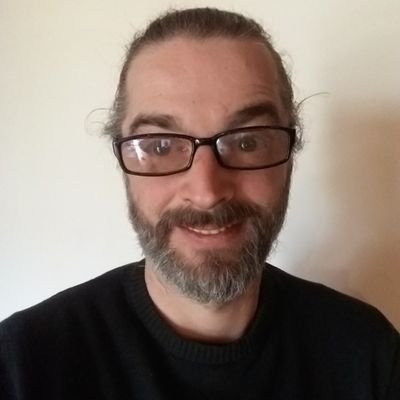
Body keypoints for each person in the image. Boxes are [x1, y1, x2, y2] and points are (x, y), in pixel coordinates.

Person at [0, 7, 399, 399]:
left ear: (290, 153)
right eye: (160, 145)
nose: (207, 192)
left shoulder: (369, 355)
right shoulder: (23, 365)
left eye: (247, 141)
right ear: (121, 158)